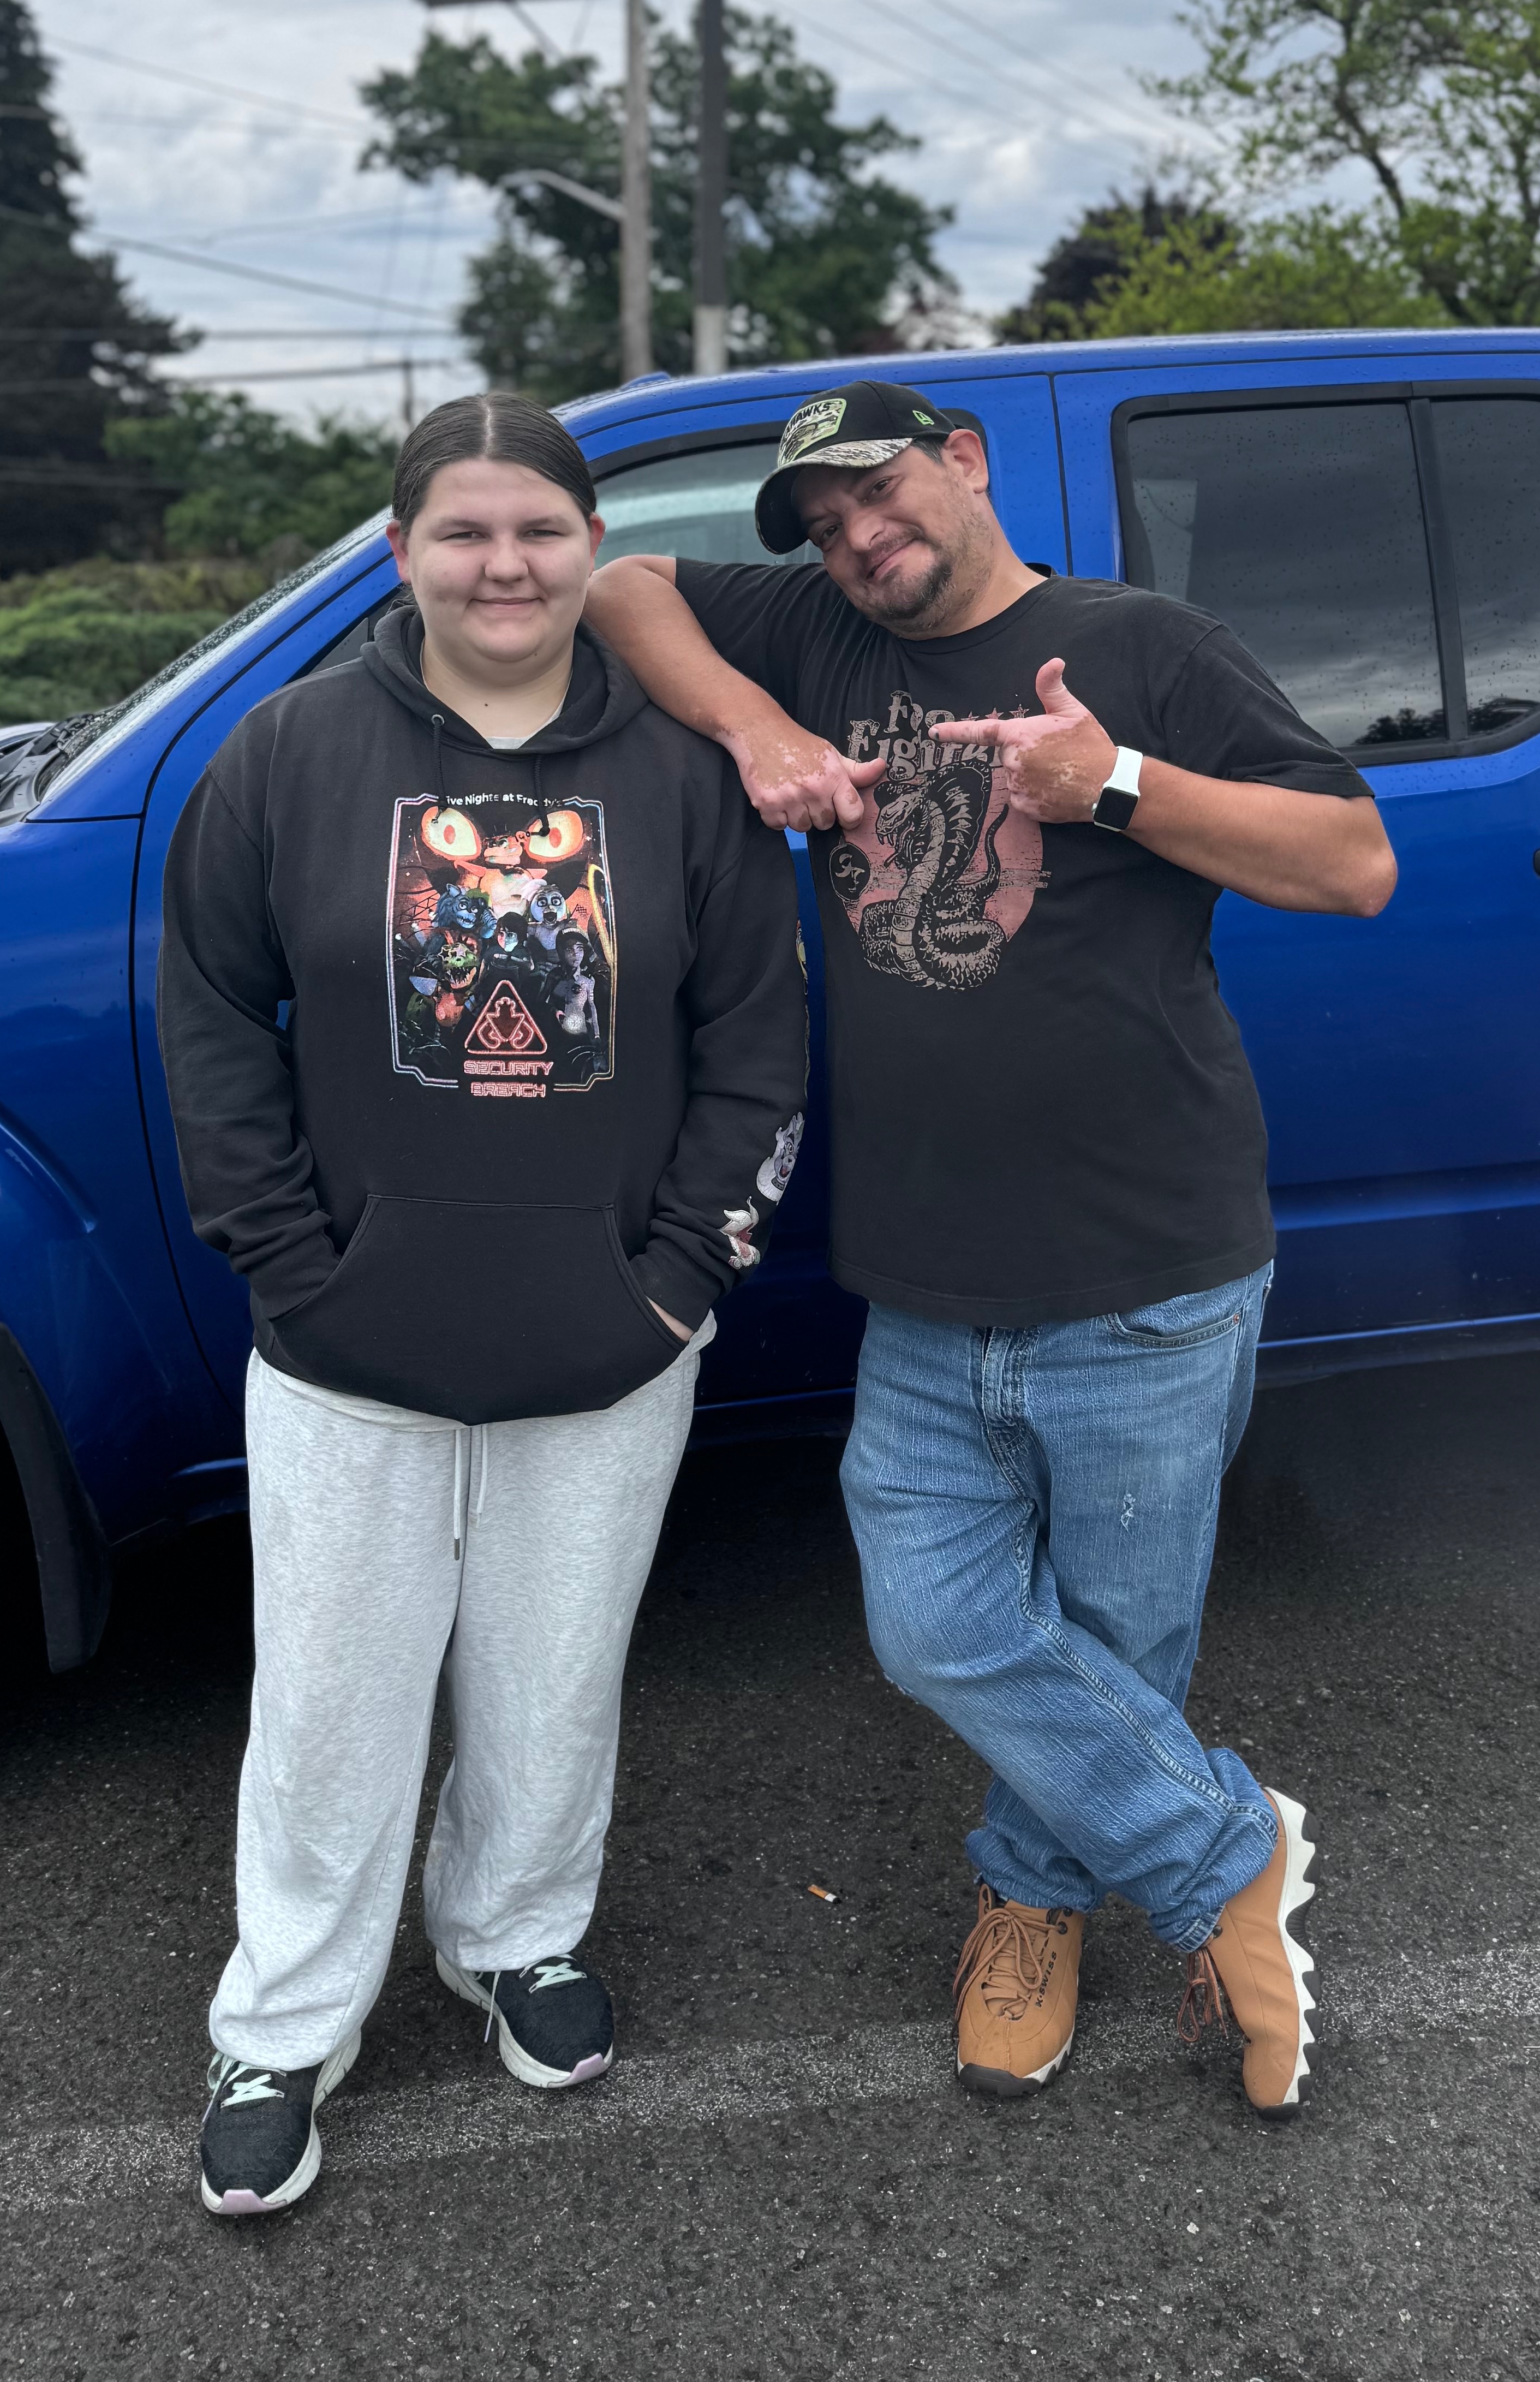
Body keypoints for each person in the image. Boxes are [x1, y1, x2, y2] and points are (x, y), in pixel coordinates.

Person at [584, 377, 1395, 2120]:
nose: (855, 539)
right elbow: (622, 586)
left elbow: (1350, 866)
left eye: (878, 494)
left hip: (1148, 1273)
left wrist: (1113, 783)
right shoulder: (818, 632)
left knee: (1113, 1641)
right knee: (935, 1626)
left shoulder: (1143, 644)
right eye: (821, 527)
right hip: (925, 1282)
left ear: (962, 463)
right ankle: (1223, 1854)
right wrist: (754, 728)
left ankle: (1031, 1905)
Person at [160, 392, 807, 2216]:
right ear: (400, 553)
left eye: (537, 529)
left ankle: (516, 1935)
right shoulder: (287, 755)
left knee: (554, 1672)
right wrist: (288, 1264)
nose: (501, 564)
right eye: (463, 530)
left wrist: (678, 1280)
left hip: (610, 1339)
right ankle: (285, 2022)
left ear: (592, 549)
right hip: (346, 1348)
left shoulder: (680, 775)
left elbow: (756, 1047)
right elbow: (211, 1022)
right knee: (331, 1700)